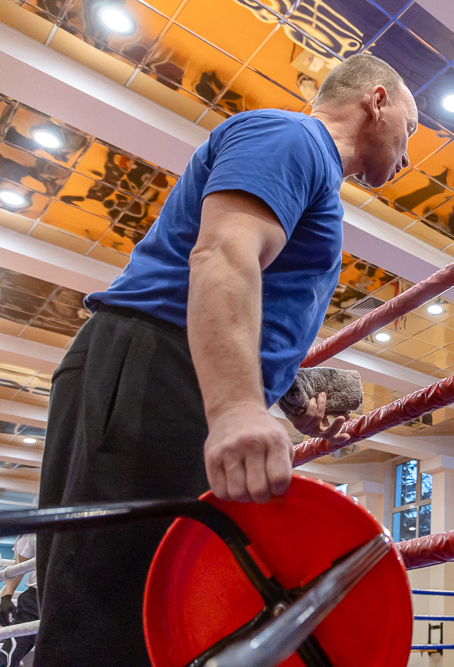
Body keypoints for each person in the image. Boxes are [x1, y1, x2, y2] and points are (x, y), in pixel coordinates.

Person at [35, 53, 417, 665]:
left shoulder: (306, 165)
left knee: (151, 614)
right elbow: (222, 253)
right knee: (110, 621)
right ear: (377, 99)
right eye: (412, 127)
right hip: (156, 365)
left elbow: (255, 285)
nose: (410, 154)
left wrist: (285, 392)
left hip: (167, 370)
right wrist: (238, 406)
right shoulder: (292, 136)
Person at [0, 534, 38, 667]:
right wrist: (6, 596)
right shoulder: (37, 531)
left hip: (76, 600)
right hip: (35, 600)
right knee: (6, 659)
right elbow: (19, 567)